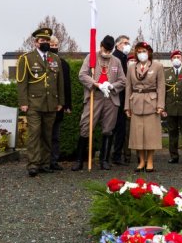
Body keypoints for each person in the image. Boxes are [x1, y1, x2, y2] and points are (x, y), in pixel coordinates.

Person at [16, 27, 65, 177]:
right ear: (36, 42)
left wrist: (61, 101)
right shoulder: (27, 58)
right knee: (34, 134)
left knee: (47, 134)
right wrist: (23, 102)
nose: (45, 43)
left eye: (47, 40)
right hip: (34, 103)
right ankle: (33, 164)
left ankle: (45, 163)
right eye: (42, 40)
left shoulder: (55, 59)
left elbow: (60, 82)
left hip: (51, 103)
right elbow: (22, 82)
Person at [74, 35, 126, 171]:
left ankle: (104, 160)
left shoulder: (116, 61)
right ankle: (79, 160)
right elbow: (82, 75)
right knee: (86, 125)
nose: (107, 53)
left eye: (109, 51)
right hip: (94, 96)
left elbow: (123, 81)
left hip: (110, 98)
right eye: (105, 50)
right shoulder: (91, 57)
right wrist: (95, 84)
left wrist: (111, 86)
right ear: (101, 46)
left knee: (108, 128)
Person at [125, 41, 164, 173]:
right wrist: (127, 107)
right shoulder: (131, 67)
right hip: (135, 103)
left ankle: (150, 161)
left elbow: (161, 87)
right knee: (138, 135)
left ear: (149, 53)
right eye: (139, 51)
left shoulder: (157, 66)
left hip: (151, 103)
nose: (142, 54)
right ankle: (141, 161)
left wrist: (160, 105)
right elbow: (128, 87)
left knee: (150, 134)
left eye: (144, 51)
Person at [163, 50, 182, 164]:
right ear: (171, 59)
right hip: (171, 107)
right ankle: (174, 155)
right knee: (172, 132)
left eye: (178, 57)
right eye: (174, 57)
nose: (176, 59)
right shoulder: (166, 73)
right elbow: (163, 91)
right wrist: (164, 108)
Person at [49, 35, 72, 171]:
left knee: (56, 136)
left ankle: (54, 161)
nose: (53, 46)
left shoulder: (64, 64)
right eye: (51, 44)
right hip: (45, 104)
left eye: (55, 44)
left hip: (59, 104)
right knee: (44, 135)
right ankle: (43, 161)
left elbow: (66, 85)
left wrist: (67, 104)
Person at [110, 35, 131, 165]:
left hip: (122, 97)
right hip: (115, 96)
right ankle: (111, 156)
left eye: (128, 43)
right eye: (125, 43)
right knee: (113, 128)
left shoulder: (124, 57)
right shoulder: (115, 58)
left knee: (121, 129)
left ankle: (116, 156)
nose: (127, 45)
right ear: (118, 44)